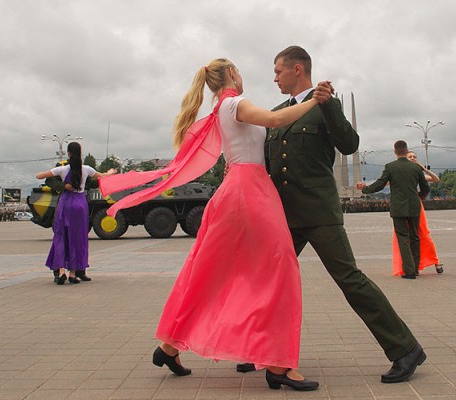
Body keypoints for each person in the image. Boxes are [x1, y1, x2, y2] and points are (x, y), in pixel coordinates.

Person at [99, 58, 332, 391]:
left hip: (236, 191)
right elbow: (277, 119)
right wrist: (313, 100)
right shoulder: (236, 103)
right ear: (233, 75)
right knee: (281, 270)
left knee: (208, 272)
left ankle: (169, 347)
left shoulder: (222, 108)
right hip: (250, 193)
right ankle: (279, 365)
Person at [239, 46, 426, 384]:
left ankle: (405, 349)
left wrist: (329, 106)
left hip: (319, 212)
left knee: (350, 281)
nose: (275, 77)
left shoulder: (324, 104)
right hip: (284, 216)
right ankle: (260, 351)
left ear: (298, 69)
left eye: (278, 71)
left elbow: (350, 144)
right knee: (264, 281)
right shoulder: (278, 112)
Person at [35, 142, 116, 285]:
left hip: (65, 204)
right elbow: (100, 177)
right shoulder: (86, 169)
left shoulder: (62, 168)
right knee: (77, 238)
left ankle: (61, 271)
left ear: (68, 152)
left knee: (61, 237)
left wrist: (64, 185)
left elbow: (40, 176)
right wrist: (110, 173)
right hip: (80, 204)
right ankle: (73, 273)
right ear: (80, 153)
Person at [357, 140, 430, 280]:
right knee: (415, 237)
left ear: (395, 151)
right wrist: (419, 197)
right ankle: (415, 269)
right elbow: (425, 187)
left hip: (398, 207)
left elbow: (379, 185)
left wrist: (365, 189)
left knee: (403, 237)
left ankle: (408, 271)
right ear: (406, 150)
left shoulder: (390, 167)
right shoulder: (416, 168)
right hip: (414, 206)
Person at [44, 160, 100, 283]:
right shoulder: (63, 166)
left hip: (78, 204)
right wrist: (64, 186)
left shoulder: (82, 169)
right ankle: (58, 272)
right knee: (62, 239)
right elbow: (49, 180)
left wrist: (103, 179)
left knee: (79, 239)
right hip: (64, 205)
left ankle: (79, 270)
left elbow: (90, 182)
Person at [389, 151, 443, 275]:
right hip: (402, 207)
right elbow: (385, 182)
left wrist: (423, 169)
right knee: (404, 236)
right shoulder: (398, 173)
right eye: (410, 157)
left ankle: (435, 261)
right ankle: (409, 265)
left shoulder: (418, 174)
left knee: (424, 234)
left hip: (416, 206)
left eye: (414, 157)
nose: (412, 158)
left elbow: (436, 179)